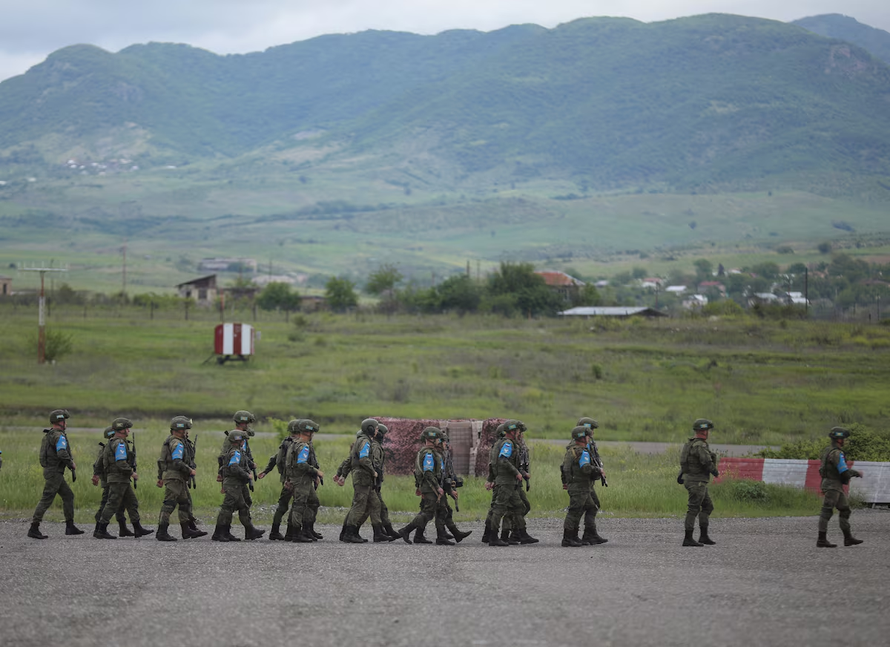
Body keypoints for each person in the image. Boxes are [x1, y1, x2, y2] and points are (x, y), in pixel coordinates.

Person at [29, 409, 84, 539]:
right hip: (54, 473)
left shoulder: (51, 434)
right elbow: (61, 452)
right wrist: (71, 463)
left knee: (68, 496)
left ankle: (70, 526)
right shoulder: (59, 436)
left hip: (54, 472)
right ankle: (33, 528)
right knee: (46, 499)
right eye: (64, 421)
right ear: (60, 422)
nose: (66, 424)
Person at [94, 418, 153, 539]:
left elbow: (99, 462)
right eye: (127, 428)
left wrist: (96, 474)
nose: (129, 430)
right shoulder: (119, 443)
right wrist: (131, 472)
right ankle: (101, 529)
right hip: (118, 479)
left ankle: (137, 528)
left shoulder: (111, 442)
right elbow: (121, 462)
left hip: (121, 479)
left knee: (132, 502)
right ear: (122, 430)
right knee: (112, 504)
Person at [156, 416, 202, 542]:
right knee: (169, 504)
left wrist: (160, 477)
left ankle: (186, 530)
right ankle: (162, 531)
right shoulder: (177, 443)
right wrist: (189, 470)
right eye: (185, 429)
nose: (187, 432)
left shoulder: (175, 441)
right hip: (174, 478)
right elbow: (177, 462)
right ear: (180, 430)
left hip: (179, 478)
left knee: (184, 503)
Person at [817, 427, 864, 548]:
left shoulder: (828, 450)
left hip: (834, 485)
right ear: (838, 439)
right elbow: (843, 470)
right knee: (827, 511)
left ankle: (848, 538)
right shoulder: (837, 453)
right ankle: (821, 539)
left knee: (845, 509)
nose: (845, 441)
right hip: (832, 485)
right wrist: (855, 473)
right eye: (843, 439)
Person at [213, 433, 264, 541]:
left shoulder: (239, 451)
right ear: (238, 441)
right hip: (233, 484)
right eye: (243, 440)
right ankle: (220, 533)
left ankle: (249, 531)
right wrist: (246, 475)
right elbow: (234, 467)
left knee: (243, 505)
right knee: (227, 508)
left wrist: (251, 465)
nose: (244, 442)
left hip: (237, 484)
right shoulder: (235, 452)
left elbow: (241, 463)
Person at [397, 427, 444, 544]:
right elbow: (428, 472)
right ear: (431, 439)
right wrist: (437, 487)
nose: (439, 441)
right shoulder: (428, 454)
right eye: (437, 438)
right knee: (428, 512)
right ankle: (406, 530)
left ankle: (418, 536)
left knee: (426, 511)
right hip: (429, 487)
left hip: (427, 486)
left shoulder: (427, 452)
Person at [488, 420, 531, 547]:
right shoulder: (507, 444)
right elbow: (502, 460)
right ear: (513, 432)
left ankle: (522, 534)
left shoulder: (511, 443)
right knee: (499, 509)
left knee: (519, 507)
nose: (520, 434)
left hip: (510, 482)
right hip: (505, 482)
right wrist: (516, 472)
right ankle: (493, 537)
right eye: (518, 431)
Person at [258, 419, 301, 540]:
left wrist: (266, 471)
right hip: (291, 479)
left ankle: (277, 531)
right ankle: (289, 531)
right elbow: (286, 461)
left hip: (286, 478)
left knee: (284, 505)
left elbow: (275, 458)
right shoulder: (293, 444)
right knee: (293, 504)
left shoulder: (286, 442)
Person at [678, 418, 718, 547]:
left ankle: (703, 536)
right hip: (697, 482)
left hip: (694, 480)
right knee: (693, 509)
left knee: (707, 506)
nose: (708, 433)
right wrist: (715, 471)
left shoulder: (690, 444)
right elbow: (706, 461)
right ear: (704, 432)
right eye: (707, 430)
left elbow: (686, 462)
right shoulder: (700, 445)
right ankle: (688, 538)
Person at [341, 418, 382, 544]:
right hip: (363, 477)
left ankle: (357, 532)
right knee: (359, 506)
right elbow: (364, 459)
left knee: (375, 503)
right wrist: (373, 471)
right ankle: (349, 533)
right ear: (370, 429)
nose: (377, 431)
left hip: (365, 478)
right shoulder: (365, 442)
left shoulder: (363, 440)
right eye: (375, 428)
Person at [561, 426, 603, 547]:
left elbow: (564, 468)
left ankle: (578, 536)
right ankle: (568, 538)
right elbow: (585, 468)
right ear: (582, 437)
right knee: (574, 511)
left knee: (591, 507)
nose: (589, 438)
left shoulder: (572, 450)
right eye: (588, 436)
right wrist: (598, 470)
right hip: (580, 487)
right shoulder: (581, 451)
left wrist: (565, 481)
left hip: (578, 486)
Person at [284, 419, 324, 542]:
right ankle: (296, 533)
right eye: (312, 432)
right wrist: (316, 472)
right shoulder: (303, 447)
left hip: (299, 479)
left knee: (313, 502)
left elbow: (288, 463)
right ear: (308, 432)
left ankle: (305, 530)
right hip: (301, 480)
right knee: (299, 505)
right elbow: (301, 464)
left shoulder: (294, 444)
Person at [92, 426, 132, 536]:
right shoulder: (109, 447)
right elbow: (98, 464)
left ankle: (122, 528)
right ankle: (99, 529)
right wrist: (96, 475)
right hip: (110, 479)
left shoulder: (110, 446)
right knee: (108, 503)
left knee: (120, 504)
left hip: (112, 478)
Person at [435, 433, 472, 545]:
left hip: (439, 488)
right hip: (434, 488)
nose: (447, 445)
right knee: (437, 512)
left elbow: (446, 475)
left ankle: (455, 534)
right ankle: (408, 531)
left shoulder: (442, 455)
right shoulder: (436, 455)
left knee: (444, 510)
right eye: (445, 442)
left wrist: (452, 485)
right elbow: (439, 475)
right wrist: (449, 490)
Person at [218, 410, 258, 512]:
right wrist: (221, 474)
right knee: (233, 502)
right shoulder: (232, 437)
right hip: (233, 473)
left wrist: (250, 464)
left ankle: (247, 525)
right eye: (247, 423)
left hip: (241, 472)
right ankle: (224, 522)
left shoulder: (242, 437)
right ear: (242, 423)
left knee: (245, 501)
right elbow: (223, 456)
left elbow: (245, 454)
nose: (248, 426)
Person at [578, 417, 607, 545]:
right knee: (591, 506)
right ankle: (586, 534)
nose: (593, 433)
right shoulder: (582, 445)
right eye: (591, 430)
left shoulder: (589, 443)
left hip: (588, 480)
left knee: (592, 505)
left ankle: (589, 534)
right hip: (582, 482)